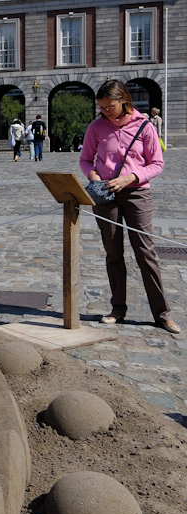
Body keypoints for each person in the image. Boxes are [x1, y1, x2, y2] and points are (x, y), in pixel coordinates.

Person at [80, 80, 179, 334]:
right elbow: (85, 159)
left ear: (123, 100)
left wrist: (131, 177)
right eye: (101, 107)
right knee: (113, 253)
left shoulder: (144, 126)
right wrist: (93, 176)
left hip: (137, 195)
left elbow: (157, 163)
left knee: (146, 253)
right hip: (106, 197)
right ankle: (117, 309)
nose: (105, 111)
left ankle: (162, 314)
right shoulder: (96, 127)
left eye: (109, 106)